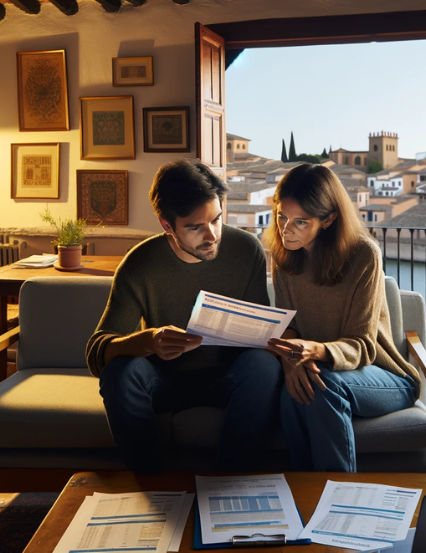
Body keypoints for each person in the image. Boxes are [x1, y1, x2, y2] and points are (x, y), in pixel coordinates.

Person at [86, 159, 282, 472]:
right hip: (164, 382)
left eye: (217, 220)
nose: (212, 235)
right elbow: (97, 350)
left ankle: (230, 483)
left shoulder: (246, 250)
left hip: (227, 379)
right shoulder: (140, 264)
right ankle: (153, 486)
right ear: (167, 225)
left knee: (263, 365)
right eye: (195, 227)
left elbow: (257, 334)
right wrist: (147, 341)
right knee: (118, 372)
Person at [263, 163, 421, 472]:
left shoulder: (363, 255)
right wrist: (291, 362)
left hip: (385, 375)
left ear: (328, 219)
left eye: (300, 221)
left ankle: (341, 499)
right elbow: (289, 326)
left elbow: (363, 345)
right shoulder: (284, 259)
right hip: (318, 368)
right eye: (281, 216)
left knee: (323, 386)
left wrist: (318, 351)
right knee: (293, 390)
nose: (285, 229)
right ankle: (304, 493)